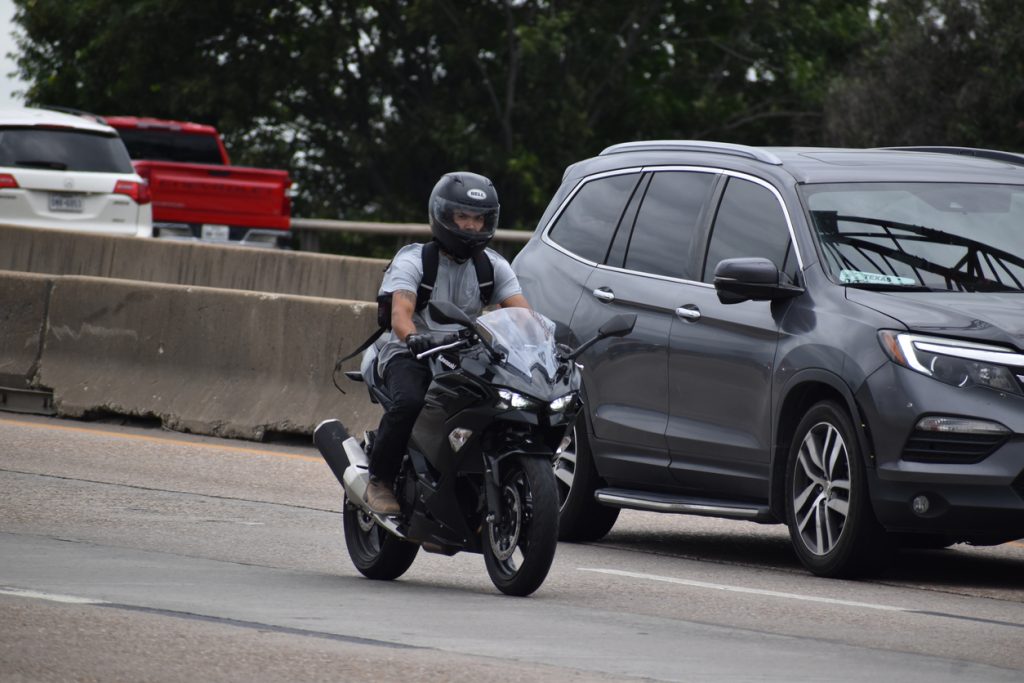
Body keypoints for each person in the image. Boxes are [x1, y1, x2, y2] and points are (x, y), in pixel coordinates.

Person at [364, 171, 530, 514]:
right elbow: (401, 315)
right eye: (463, 217)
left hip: (463, 355)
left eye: (479, 218)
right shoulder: (414, 260)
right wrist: (413, 338)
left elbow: (523, 316)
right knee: (409, 402)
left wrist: (543, 343)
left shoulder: (493, 266)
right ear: (443, 216)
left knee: (497, 409)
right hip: (409, 351)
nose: (471, 226)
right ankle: (379, 479)